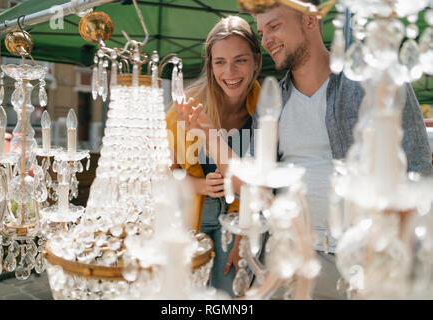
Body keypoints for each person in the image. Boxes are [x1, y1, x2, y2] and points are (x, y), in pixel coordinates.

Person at [177, 1, 432, 300]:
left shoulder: (375, 83)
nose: (267, 38)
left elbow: (418, 172)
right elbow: (253, 186)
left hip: (364, 262)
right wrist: (209, 135)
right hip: (293, 260)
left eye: (274, 26)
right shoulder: (272, 104)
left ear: (311, 21)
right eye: (262, 31)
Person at [165, 16, 262, 297]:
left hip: (239, 219)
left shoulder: (268, 110)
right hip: (192, 214)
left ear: (256, 61)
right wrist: (199, 186)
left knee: (229, 295)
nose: (229, 71)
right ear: (210, 65)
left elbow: (265, 187)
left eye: (240, 60)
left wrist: (244, 238)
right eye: (219, 62)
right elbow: (160, 175)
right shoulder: (186, 109)